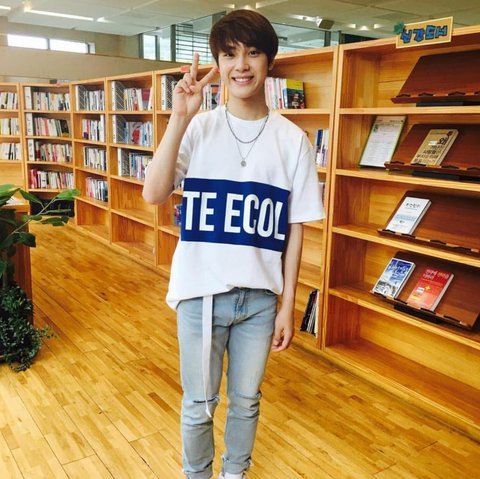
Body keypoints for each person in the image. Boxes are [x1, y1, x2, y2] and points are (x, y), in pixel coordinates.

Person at [142, 9, 325, 479]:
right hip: (200, 297)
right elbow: (154, 193)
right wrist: (178, 117)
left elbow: (296, 228)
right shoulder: (199, 128)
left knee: (246, 402)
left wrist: (287, 305)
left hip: (260, 302)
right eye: (229, 54)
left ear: (269, 61)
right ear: (218, 64)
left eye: (253, 52)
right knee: (198, 404)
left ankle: (234, 473)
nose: (241, 65)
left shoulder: (293, 141)